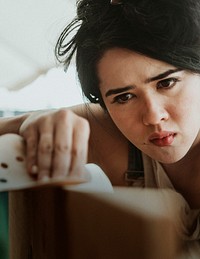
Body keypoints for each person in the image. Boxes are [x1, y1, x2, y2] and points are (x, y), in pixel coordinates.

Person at [2, 0, 200, 252]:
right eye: (124, 97)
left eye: (166, 83)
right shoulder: (106, 130)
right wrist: (30, 122)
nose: (152, 116)